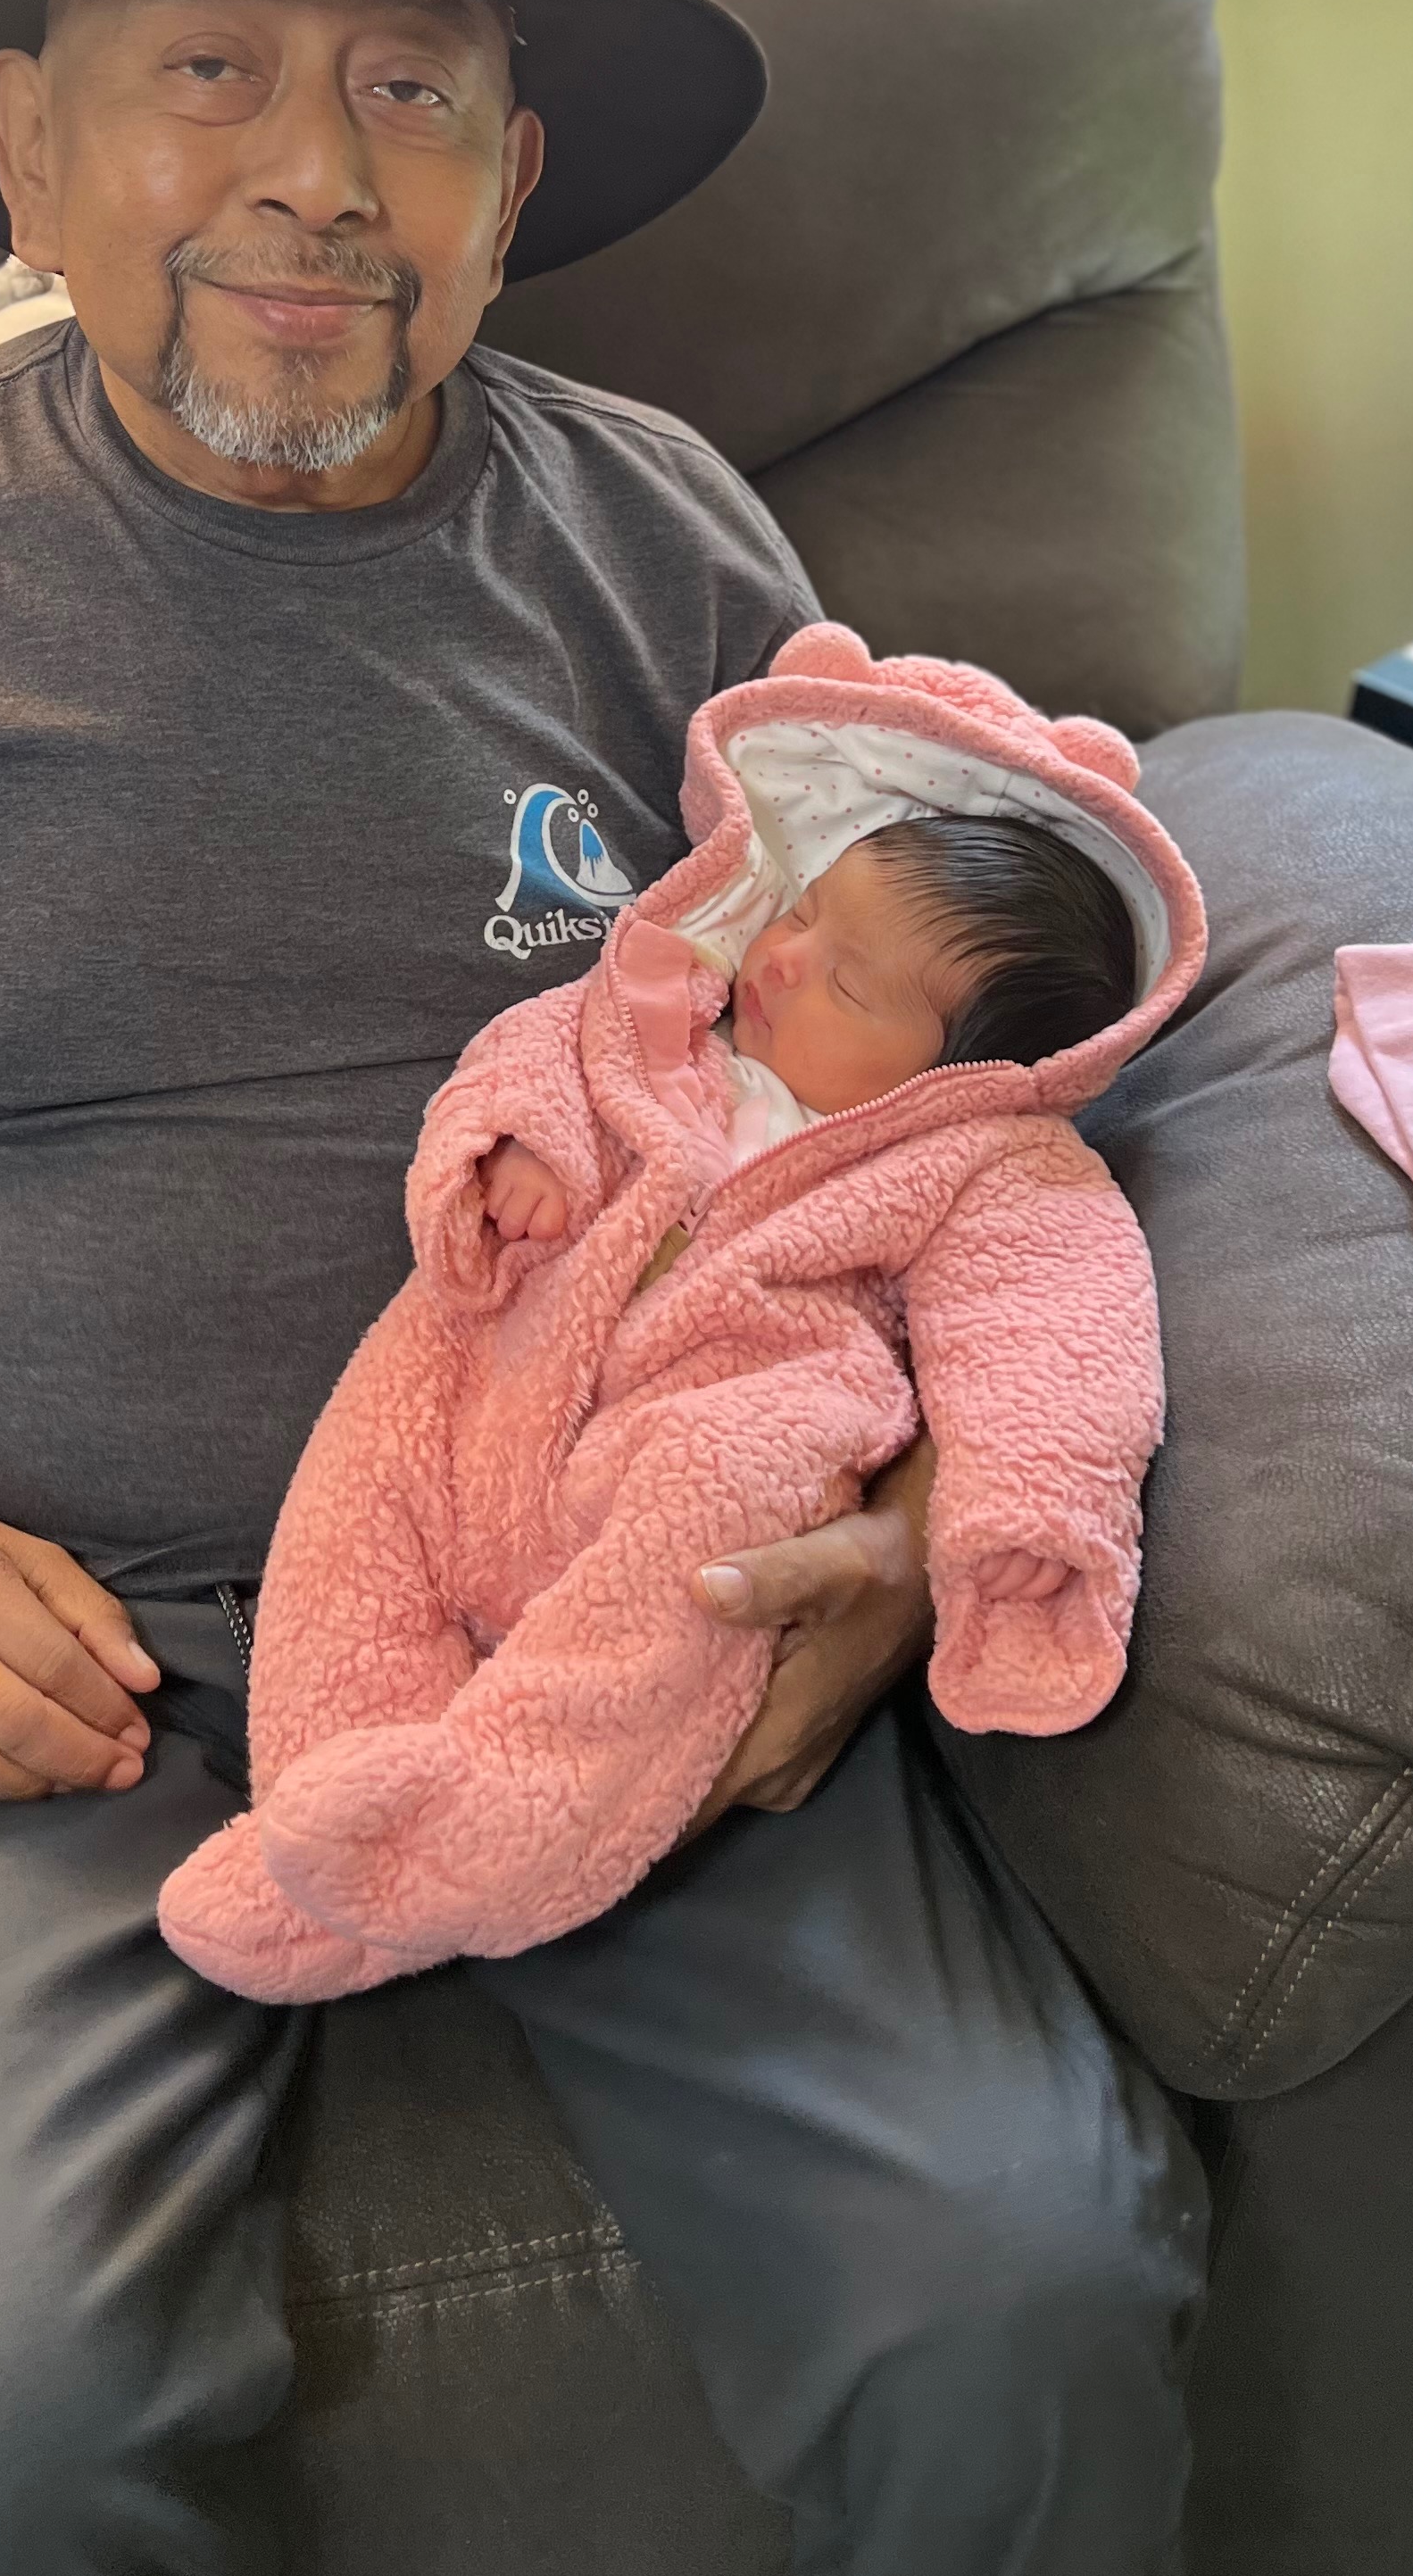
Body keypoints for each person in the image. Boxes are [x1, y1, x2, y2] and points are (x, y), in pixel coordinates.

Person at [0, 0, 1207, 2576]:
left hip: (620, 1579)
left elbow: (948, 1117)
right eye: (207, 66)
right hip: (35, 1634)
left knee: (1023, 2288)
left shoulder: (667, 544)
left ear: (510, 188)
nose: (315, 169)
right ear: (28, 146)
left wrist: (915, 1521)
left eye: (411, 89)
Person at [157, 628, 1209, 2007]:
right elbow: (528, 1047)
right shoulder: (659, 1024)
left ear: (969, 1072)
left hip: (725, 1408)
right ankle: (324, 1823)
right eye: (803, 912)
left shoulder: (989, 1164)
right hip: (493, 1359)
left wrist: (1023, 1525)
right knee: (360, 1494)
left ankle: (492, 1829)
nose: (785, 960)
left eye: (849, 982)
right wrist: (515, 1147)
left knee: (719, 1501)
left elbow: (1060, 1346)